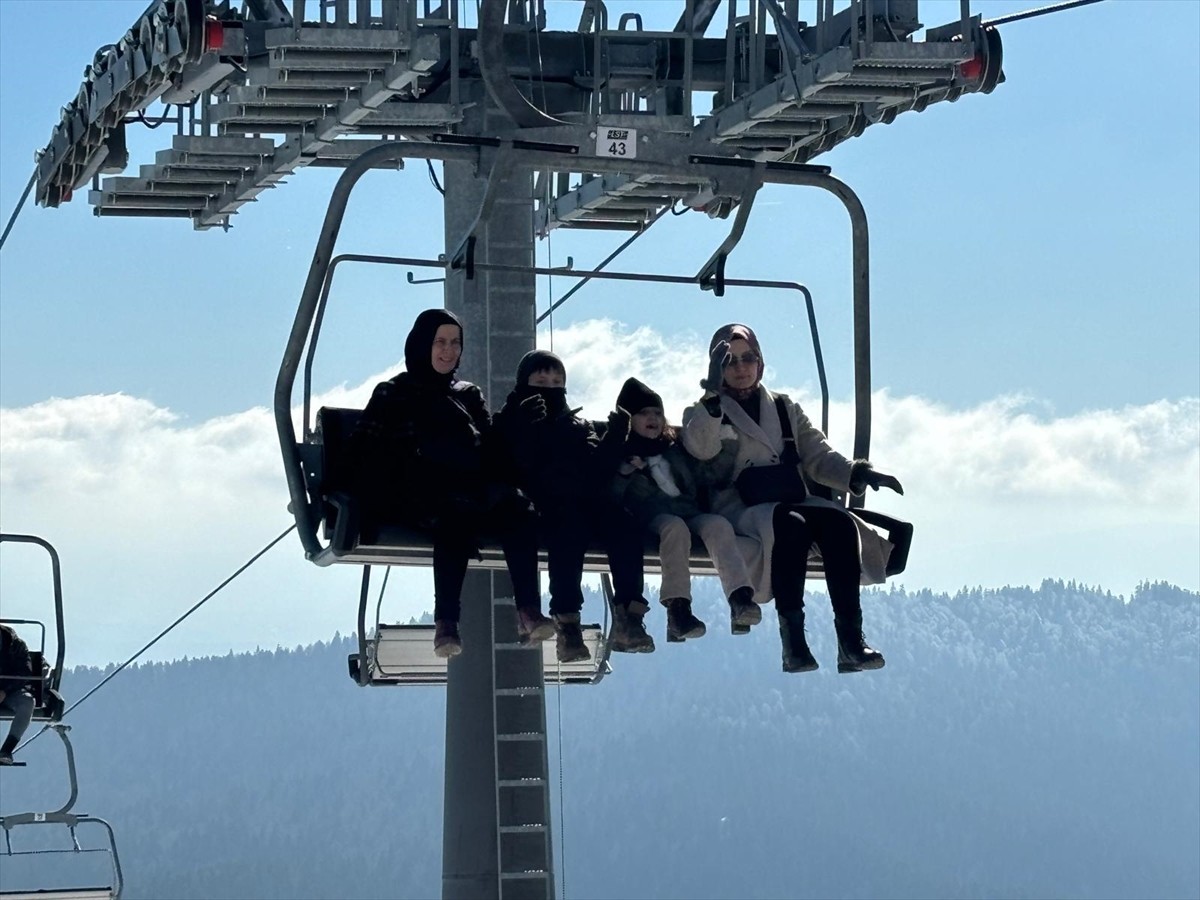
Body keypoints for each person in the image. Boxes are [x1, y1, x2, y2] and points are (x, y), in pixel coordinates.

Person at [681, 324, 904, 674]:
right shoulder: (704, 411)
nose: (741, 368)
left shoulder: (784, 408)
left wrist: (858, 474)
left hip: (789, 495)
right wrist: (711, 398)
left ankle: (850, 641)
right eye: (730, 361)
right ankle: (794, 642)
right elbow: (700, 448)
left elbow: (818, 456)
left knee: (839, 523)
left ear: (760, 361)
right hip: (742, 505)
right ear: (717, 368)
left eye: (748, 358)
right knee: (790, 527)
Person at [349, 308, 555, 659]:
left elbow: (491, 449)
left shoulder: (467, 394)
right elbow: (366, 452)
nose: (448, 351)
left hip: (469, 487)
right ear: (422, 346)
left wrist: (514, 424)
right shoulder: (394, 393)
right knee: (453, 517)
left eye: (455, 343)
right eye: (440, 343)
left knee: (517, 509)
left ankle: (528, 611)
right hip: (417, 491)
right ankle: (447, 622)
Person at [493, 350, 653, 661]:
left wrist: (615, 438)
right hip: (542, 506)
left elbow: (597, 473)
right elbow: (508, 466)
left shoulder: (577, 426)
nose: (551, 389)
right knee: (568, 530)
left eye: (557, 382)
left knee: (624, 526)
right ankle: (567, 622)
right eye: (541, 381)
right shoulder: (509, 421)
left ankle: (630, 615)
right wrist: (526, 428)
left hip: (585, 500)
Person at [609, 377, 757, 643]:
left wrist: (726, 446)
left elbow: (707, 475)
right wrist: (625, 473)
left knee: (717, 525)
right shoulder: (622, 452)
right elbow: (611, 498)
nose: (652, 418)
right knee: (674, 529)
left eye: (657, 412)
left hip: (688, 511)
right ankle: (678, 608)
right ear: (630, 418)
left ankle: (740, 597)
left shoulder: (674, 449)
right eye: (643, 413)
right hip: (652, 517)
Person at [0, 624, 36, 765]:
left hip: (10, 692)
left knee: (27, 702)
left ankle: (6, 750)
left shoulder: (16, 645)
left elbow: (24, 672)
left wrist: (5, 690)